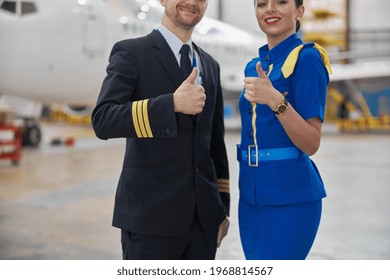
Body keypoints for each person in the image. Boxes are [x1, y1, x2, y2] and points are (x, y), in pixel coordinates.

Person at [91, 0, 230, 260]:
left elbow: (214, 144)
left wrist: (221, 209)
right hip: (149, 221)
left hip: (203, 225)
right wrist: (171, 104)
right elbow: (103, 120)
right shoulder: (132, 52)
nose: (191, 2)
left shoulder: (210, 65)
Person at [237, 0, 332, 260]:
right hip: (250, 196)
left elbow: (311, 143)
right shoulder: (253, 66)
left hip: (290, 197)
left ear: (299, 11)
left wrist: (276, 101)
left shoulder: (308, 59)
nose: (270, 9)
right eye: (261, 4)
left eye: (280, 2)